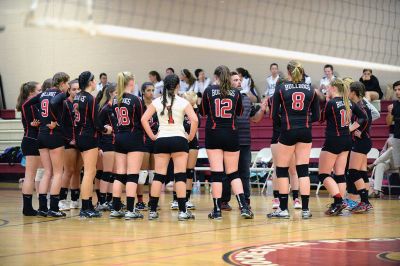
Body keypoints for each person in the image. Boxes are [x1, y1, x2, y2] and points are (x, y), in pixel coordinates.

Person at [141, 74, 198, 221]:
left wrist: (152, 136)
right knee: (180, 176)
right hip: (179, 139)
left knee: (159, 176)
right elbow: (195, 120)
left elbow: (144, 119)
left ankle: (152, 210)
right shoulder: (183, 101)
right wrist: (190, 136)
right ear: (178, 86)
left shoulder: (157, 101)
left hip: (161, 140)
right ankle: (182, 211)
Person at [267, 61, 320, 219]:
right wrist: (305, 121)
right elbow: (316, 116)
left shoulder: (281, 88)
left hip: (288, 131)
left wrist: (284, 125)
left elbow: (273, 115)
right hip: (305, 132)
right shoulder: (311, 90)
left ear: (288, 72)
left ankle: (283, 209)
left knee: (282, 169)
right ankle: (305, 210)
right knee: (302, 170)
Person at [200, 65, 253, 220]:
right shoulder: (236, 93)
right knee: (233, 173)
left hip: (213, 134)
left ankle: (216, 211)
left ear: (216, 76)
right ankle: (244, 207)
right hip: (231, 134)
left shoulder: (209, 91)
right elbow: (239, 113)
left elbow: (202, 112)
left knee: (217, 174)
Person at [318, 79, 367, 216]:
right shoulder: (349, 102)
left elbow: (321, 119)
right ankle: (338, 203)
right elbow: (364, 117)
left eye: (328, 88)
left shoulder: (332, 103)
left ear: (334, 88)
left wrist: (327, 100)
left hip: (334, 140)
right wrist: (351, 128)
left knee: (323, 174)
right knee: (339, 174)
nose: (327, 90)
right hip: (346, 140)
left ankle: (338, 201)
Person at [221, 71, 267, 210]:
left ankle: (245, 201)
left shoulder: (246, 98)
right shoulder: (224, 99)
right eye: (235, 80)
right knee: (226, 173)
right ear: (228, 83)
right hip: (229, 140)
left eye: (239, 80)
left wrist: (262, 109)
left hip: (245, 142)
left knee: (244, 173)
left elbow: (255, 118)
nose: (239, 82)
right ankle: (224, 201)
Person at [110, 71, 145, 220]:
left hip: (119, 137)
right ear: (131, 82)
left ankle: (116, 209)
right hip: (133, 137)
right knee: (132, 174)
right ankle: (130, 210)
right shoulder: (135, 99)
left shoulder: (114, 100)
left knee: (120, 174)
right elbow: (142, 120)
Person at [74, 71, 109, 218]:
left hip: (79, 136)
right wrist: (106, 129)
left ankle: (87, 205)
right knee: (89, 172)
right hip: (89, 137)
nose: (95, 83)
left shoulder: (77, 96)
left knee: (89, 172)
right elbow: (96, 122)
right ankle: (85, 207)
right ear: (90, 82)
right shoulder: (90, 98)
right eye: (94, 80)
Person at [35, 72, 70, 217]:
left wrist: (40, 120)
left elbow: (29, 105)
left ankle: (42, 207)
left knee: (47, 172)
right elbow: (55, 103)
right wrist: (56, 121)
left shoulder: (43, 94)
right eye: (67, 83)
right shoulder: (60, 94)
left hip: (41, 134)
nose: (68, 86)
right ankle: (54, 208)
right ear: (62, 83)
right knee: (57, 173)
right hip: (53, 135)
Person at [347, 81, 373, 213]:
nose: (347, 92)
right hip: (365, 141)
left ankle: (365, 202)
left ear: (353, 92)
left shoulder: (360, 105)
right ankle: (366, 201)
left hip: (361, 142)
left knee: (353, 171)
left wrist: (355, 129)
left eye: (349, 90)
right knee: (362, 172)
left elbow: (365, 118)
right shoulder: (361, 104)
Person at [16, 81, 41, 216]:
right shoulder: (29, 105)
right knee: (30, 176)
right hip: (31, 141)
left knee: (32, 175)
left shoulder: (29, 105)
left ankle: (30, 207)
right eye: (39, 90)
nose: (41, 92)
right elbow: (35, 122)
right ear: (31, 93)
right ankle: (27, 208)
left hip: (30, 140)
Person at [58, 79, 82, 211]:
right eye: (74, 89)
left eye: (79, 89)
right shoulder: (64, 104)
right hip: (68, 142)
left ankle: (75, 199)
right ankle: (62, 200)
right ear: (69, 90)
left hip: (81, 141)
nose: (77, 91)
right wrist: (68, 139)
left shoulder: (82, 103)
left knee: (78, 171)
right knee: (68, 171)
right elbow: (60, 125)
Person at [95, 83, 118, 211]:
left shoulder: (116, 107)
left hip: (116, 143)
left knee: (113, 173)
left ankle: (109, 200)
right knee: (106, 172)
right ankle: (102, 201)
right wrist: (99, 146)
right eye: (117, 93)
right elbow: (97, 126)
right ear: (111, 93)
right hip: (107, 142)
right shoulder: (105, 109)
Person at [137, 82, 158, 211]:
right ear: (143, 92)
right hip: (143, 140)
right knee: (142, 173)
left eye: (152, 90)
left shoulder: (157, 104)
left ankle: (152, 200)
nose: (151, 92)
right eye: (148, 90)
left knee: (153, 173)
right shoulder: (139, 105)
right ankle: (139, 201)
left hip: (155, 140)